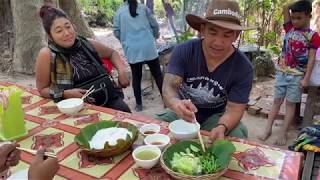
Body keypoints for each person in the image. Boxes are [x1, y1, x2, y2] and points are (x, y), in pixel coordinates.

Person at [154, 0, 254, 140]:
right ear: (202, 30)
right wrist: (176, 104)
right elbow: (168, 87)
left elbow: (235, 109)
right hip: (182, 111)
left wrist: (222, 127)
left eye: (227, 35)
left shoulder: (243, 68)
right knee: (155, 128)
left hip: (216, 117)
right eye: (213, 32)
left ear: (236, 36)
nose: (218, 42)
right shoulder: (184, 50)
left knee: (238, 133)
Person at [36, 5, 131, 113]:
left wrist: (121, 71)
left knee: (125, 115)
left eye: (68, 27)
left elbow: (112, 54)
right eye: (59, 31)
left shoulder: (87, 44)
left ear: (73, 26)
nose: (67, 33)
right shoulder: (47, 54)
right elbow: (42, 89)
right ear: (50, 36)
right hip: (75, 108)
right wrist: (65, 93)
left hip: (107, 97)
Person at [258, 0, 320, 145]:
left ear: (309, 16)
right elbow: (286, 7)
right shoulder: (289, 28)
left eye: (299, 18)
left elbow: (311, 59)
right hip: (282, 73)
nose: (295, 21)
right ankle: (268, 128)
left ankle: (283, 132)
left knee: (290, 105)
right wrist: (301, 3)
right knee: (276, 102)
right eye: (293, 18)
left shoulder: (313, 36)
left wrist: (306, 78)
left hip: (297, 76)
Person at [113, 0, 163, 112]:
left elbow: (116, 31)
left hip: (132, 49)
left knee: (136, 77)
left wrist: (125, 41)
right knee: (158, 75)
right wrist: (155, 36)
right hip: (148, 46)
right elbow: (154, 25)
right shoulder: (144, 8)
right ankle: (166, 101)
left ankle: (139, 105)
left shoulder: (119, 12)